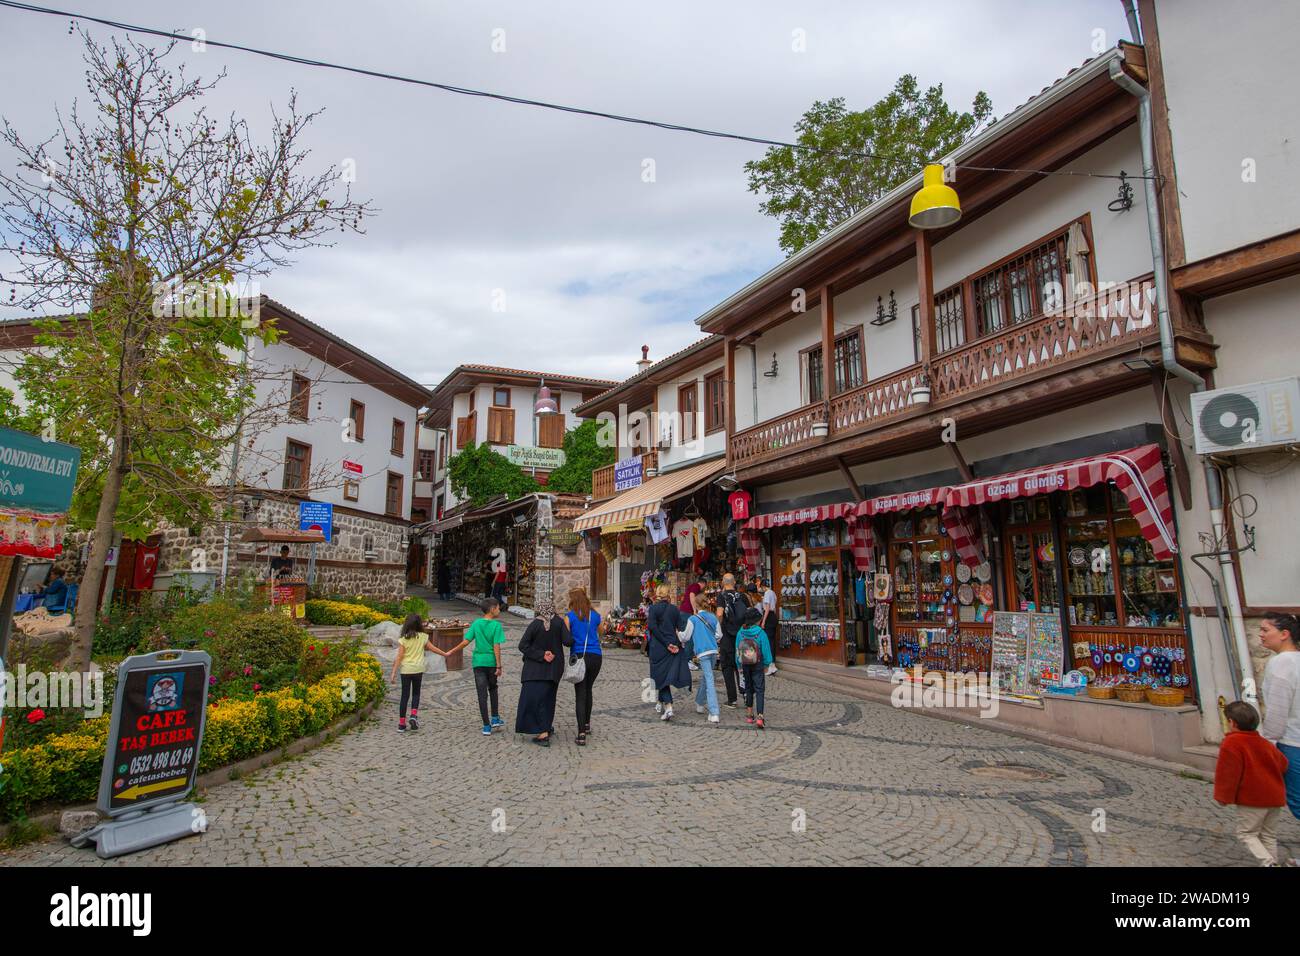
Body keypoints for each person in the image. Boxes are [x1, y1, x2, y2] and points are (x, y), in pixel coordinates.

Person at [1214, 700, 1290, 866]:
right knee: (1268, 835)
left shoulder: (1232, 743)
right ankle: (1273, 863)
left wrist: (1223, 797)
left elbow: (1228, 774)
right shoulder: (1264, 743)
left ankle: (1268, 862)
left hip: (1253, 799)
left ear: (1231, 722)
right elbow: (1283, 764)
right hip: (1274, 797)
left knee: (1246, 834)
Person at [442, 599, 508, 735]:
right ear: (492, 609)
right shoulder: (496, 626)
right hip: (491, 662)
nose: (499, 610)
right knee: (493, 688)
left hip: (478, 663)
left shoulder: (476, 624)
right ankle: (495, 717)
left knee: (481, 694)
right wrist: (499, 665)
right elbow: (496, 646)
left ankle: (486, 726)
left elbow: (466, 641)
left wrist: (451, 651)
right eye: (498, 608)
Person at [1259, 613, 1300, 825]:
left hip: (1292, 741)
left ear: (1285, 634)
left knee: (1297, 799)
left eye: (1266, 630)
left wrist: (1269, 740)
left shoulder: (1281, 663)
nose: (1261, 635)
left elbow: (1278, 707)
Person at [515, 602, 571, 746]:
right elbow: (568, 641)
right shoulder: (559, 622)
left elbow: (523, 645)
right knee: (548, 699)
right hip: (554, 669)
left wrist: (540, 654)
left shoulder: (535, 624)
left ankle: (543, 733)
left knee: (533, 701)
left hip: (534, 670)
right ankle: (545, 726)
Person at [646, 584, 690, 721]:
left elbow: (652, 627)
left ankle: (669, 707)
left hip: (659, 647)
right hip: (672, 645)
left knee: (660, 677)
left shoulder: (653, 609)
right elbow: (681, 627)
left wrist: (666, 643)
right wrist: (676, 642)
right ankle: (660, 702)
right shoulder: (674, 609)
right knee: (663, 675)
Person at [566, 589, 604, 746]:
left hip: (580, 656)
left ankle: (581, 733)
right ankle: (587, 724)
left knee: (580, 694)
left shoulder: (569, 617)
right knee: (588, 689)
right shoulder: (595, 616)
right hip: (596, 656)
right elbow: (601, 632)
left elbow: (566, 638)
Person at [389, 613, 437, 733]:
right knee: (416, 693)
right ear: (419, 624)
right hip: (418, 669)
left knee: (404, 696)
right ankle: (413, 716)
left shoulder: (403, 639)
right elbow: (433, 648)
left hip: (406, 670)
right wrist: (446, 654)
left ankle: (401, 724)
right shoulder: (423, 637)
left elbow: (399, 657)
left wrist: (393, 672)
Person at [679, 595, 721, 723]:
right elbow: (719, 634)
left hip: (702, 652)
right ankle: (700, 703)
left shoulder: (693, 619)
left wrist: (678, 634)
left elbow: (685, 637)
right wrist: (711, 639)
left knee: (709, 679)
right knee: (707, 677)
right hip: (713, 651)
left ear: (696, 605)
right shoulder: (713, 617)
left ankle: (714, 712)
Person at [736, 606, 774, 729]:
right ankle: (760, 716)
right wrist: (768, 663)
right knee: (759, 689)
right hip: (758, 664)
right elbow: (766, 649)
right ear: (756, 620)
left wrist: (738, 664)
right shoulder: (760, 633)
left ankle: (749, 714)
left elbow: (737, 650)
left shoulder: (740, 632)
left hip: (745, 664)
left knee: (748, 688)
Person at [716, 573, 746, 707]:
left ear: (723, 582)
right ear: (734, 582)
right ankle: (746, 694)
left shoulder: (721, 596)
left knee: (727, 666)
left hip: (727, 636)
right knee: (742, 664)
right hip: (741, 635)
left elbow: (719, 613)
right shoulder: (742, 596)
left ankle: (732, 699)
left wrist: (718, 628)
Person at [760, 578, 780, 677]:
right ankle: (772, 663)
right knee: (772, 641)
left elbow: (767, 608)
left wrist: (763, 621)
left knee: (768, 641)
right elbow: (774, 607)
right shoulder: (773, 593)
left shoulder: (767, 593)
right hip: (773, 617)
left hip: (768, 617)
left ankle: (771, 665)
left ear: (763, 586)